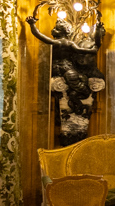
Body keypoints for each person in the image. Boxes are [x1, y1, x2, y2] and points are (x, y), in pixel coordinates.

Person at [26, 12, 106, 146]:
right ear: (68, 32)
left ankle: (77, 95)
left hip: (60, 68)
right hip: (64, 69)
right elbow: (82, 50)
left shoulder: (58, 42)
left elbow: (39, 35)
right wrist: (92, 51)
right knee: (74, 78)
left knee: (77, 78)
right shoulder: (67, 43)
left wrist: (32, 25)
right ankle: (82, 92)